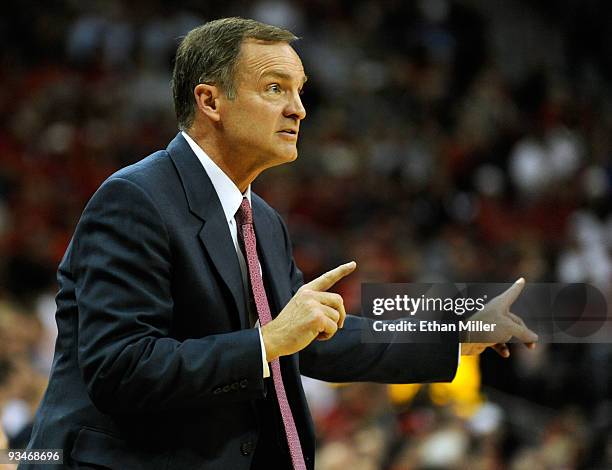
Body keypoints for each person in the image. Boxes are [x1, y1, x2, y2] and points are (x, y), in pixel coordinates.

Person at [23, 17, 537, 470]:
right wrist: (267, 343)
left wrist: (453, 336)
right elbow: (121, 367)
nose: (299, 110)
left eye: (301, 91)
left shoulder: (262, 221)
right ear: (210, 101)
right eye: (275, 89)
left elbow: (314, 339)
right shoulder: (134, 200)